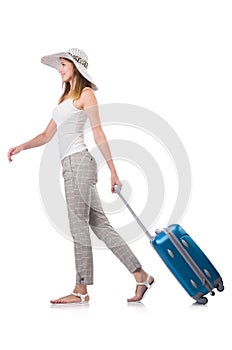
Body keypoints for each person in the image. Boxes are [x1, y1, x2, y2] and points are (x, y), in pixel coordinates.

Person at [7, 48, 154, 304]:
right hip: (71, 166)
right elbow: (46, 135)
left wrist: (113, 171)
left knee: (79, 227)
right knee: (101, 226)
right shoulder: (64, 100)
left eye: (63, 64)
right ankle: (141, 275)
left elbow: (98, 133)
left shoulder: (86, 95)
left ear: (76, 66)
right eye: (60, 65)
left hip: (78, 165)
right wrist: (21, 146)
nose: (60, 69)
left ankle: (80, 289)